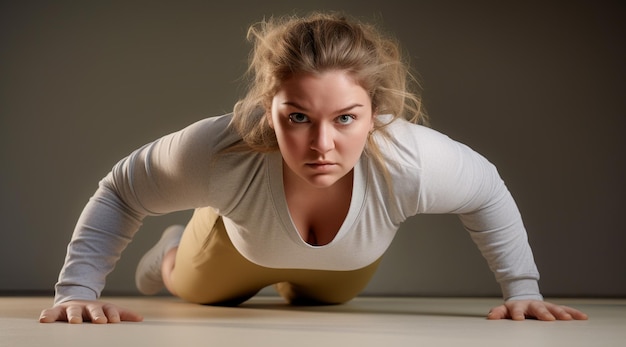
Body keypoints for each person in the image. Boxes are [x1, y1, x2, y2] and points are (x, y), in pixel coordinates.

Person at [39, 11, 587, 324]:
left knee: (319, 305)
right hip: (233, 250)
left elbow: (485, 191)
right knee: (200, 292)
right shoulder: (219, 150)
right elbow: (120, 191)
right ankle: (172, 252)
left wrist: (523, 288)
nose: (321, 144)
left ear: (376, 114)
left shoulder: (410, 158)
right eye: (298, 116)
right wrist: (77, 292)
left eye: (346, 118)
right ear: (268, 108)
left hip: (341, 271)